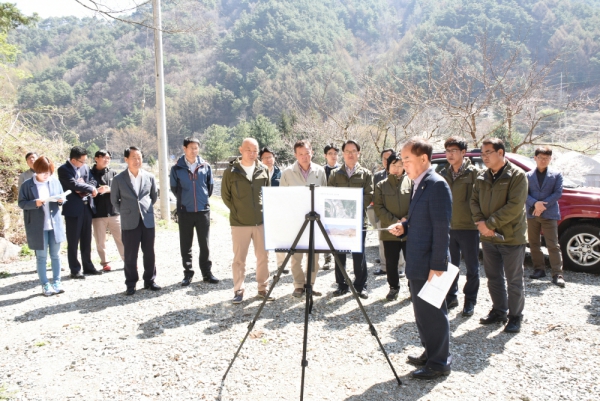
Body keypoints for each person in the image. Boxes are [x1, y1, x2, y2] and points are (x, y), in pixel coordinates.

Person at [388, 137, 452, 380]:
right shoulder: (419, 183)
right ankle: (430, 352)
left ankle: (439, 363)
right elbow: (421, 219)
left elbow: (441, 229)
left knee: (433, 314)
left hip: (429, 264)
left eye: (407, 159)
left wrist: (437, 266)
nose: (403, 164)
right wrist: (405, 226)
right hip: (417, 260)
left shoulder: (436, 185)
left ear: (424, 159)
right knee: (422, 313)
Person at [471, 138, 528, 333]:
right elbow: (474, 201)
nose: (484, 156)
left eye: (488, 152)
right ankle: (499, 311)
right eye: (483, 153)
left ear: (501, 153)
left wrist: (489, 224)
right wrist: (480, 223)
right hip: (488, 237)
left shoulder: (517, 175)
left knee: (514, 279)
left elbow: (514, 206)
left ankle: (515, 316)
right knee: (493, 277)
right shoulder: (481, 176)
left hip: (511, 237)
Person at [221, 138, 272, 304]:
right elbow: (225, 196)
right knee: (239, 259)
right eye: (248, 150)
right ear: (241, 149)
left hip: (261, 222)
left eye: (255, 150)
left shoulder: (264, 169)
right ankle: (238, 290)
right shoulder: (231, 171)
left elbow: (268, 193)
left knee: (263, 257)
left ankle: (263, 289)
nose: (252, 153)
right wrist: (237, 211)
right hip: (239, 223)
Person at [438, 136, 481, 316]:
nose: (450, 154)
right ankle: (451, 296)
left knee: (472, 267)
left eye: (454, 151)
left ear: (464, 152)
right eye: (448, 151)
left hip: (469, 227)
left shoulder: (474, 174)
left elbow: (478, 200)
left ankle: (470, 301)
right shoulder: (443, 173)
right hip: (449, 227)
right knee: (450, 266)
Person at [280, 140, 328, 298]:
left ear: (312, 152)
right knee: (296, 256)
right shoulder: (287, 173)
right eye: (300, 154)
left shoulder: (320, 171)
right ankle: (299, 285)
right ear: (295, 155)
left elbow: (324, 195)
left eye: (307, 153)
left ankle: (310, 284)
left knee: (314, 257)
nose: (304, 157)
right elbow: (283, 198)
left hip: (315, 220)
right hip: (295, 220)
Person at [110, 146, 160, 296]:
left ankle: (150, 280)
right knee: (131, 254)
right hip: (129, 220)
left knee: (149, 252)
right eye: (134, 158)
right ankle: (131, 283)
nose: (137, 161)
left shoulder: (149, 177)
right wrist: (127, 212)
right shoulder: (118, 179)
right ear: (126, 159)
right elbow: (114, 201)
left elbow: (154, 196)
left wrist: (145, 209)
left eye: (139, 157)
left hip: (147, 220)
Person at [170, 137, 220, 287]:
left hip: (203, 211)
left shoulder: (205, 166)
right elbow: (174, 189)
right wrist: (185, 202)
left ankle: (207, 273)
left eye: (196, 148)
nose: (194, 150)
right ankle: (188, 273)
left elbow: (209, 188)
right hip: (185, 211)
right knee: (186, 244)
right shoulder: (177, 168)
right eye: (191, 147)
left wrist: (202, 200)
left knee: (204, 244)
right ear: (184, 149)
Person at [328, 139, 373, 299]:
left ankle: (361, 286)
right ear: (343, 154)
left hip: (358, 220)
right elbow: (330, 196)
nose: (350, 154)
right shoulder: (335, 174)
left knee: (358, 254)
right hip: (339, 222)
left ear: (358, 153)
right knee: (339, 253)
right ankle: (342, 285)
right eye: (347, 151)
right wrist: (341, 211)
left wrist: (352, 208)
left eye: (354, 151)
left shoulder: (366, 174)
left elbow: (369, 195)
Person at [18, 156, 67, 296]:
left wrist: (60, 200)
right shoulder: (27, 185)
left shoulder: (54, 182)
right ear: (36, 170)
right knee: (41, 256)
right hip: (37, 225)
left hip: (54, 223)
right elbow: (21, 203)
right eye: (44, 172)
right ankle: (45, 284)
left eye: (49, 172)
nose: (47, 175)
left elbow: (61, 200)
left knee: (56, 255)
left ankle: (57, 281)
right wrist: (35, 203)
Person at [57, 146, 102, 279]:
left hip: (87, 206)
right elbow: (73, 185)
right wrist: (89, 188)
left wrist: (90, 187)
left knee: (86, 239)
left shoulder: (85, 168)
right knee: (73, 240)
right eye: (81, 161)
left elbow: (93, 181)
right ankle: (75, 269)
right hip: (73, 208)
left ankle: (88, 266)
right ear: (73, 160)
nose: (84, 164)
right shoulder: (63, 169)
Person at [373, 152, 411, 301]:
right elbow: (379, 207)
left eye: (400, 165)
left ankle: (412, 287)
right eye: (393, 165)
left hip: (408, 230)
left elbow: (415, 204)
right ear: (388, 167)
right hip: (390, 231)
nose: (397, 168)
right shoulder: (381, 185)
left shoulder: (412, 183)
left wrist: (405, 221)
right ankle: (393, 288)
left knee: (411, 261)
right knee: (391, 262)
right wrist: (395, 222)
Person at [527, 146, 565, 287]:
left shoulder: (556, 175)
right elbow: (524, 193)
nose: (543, 160)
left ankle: (557, 273)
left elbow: (558, 193)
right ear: (535, 158)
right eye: (541, 158)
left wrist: (542, 206)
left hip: (549, 214)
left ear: (550, 159)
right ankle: (539, 269)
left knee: (553, 244)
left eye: (546, 158)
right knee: (534, 243)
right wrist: (535, 204)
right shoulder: (528, 175)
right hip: (532, 213)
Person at [368, 148, 405, 276]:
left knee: (402, 245)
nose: (396, 167)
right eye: (385, 159)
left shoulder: (408, 180)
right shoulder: (378, 176)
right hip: (385, 219)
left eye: (399, 164)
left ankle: (401, 268)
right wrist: (391, 220)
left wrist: (402, 221)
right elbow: (377, 202)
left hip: (403, 221)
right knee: (384, 245)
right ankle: (384, 268)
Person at [90, 149, 125, 272]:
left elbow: (121, 189)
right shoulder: (89, 174)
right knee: (100, 240)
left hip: (114, 211)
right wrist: (95, 190)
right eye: (104, 158)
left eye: (108, 158)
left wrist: (110, 189)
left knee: (121, 237)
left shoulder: (114, 173)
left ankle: (127, 260)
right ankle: (105, 263)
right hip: (97, 213)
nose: (106, 160)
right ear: (96, 158)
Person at [260, 147, 287, 274]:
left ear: (274, 158)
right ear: (261, 160)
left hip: (278, 210)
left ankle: (281, 265)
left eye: (270, 157)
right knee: (262, 239)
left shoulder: (281, 173)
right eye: (265, 157)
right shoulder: (257, 173)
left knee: (280, 237)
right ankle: (263, 265)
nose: (268, 160)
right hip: (261, 210)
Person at [322, 143, 340, 270]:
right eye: (330, 154)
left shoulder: (342, 170)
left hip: (339, 205)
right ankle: (327, 259)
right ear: (325, 155)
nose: (333, 156)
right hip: (325, 205)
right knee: (325, 233)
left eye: (335, 153)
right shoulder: (321, 170)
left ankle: (339, 259)